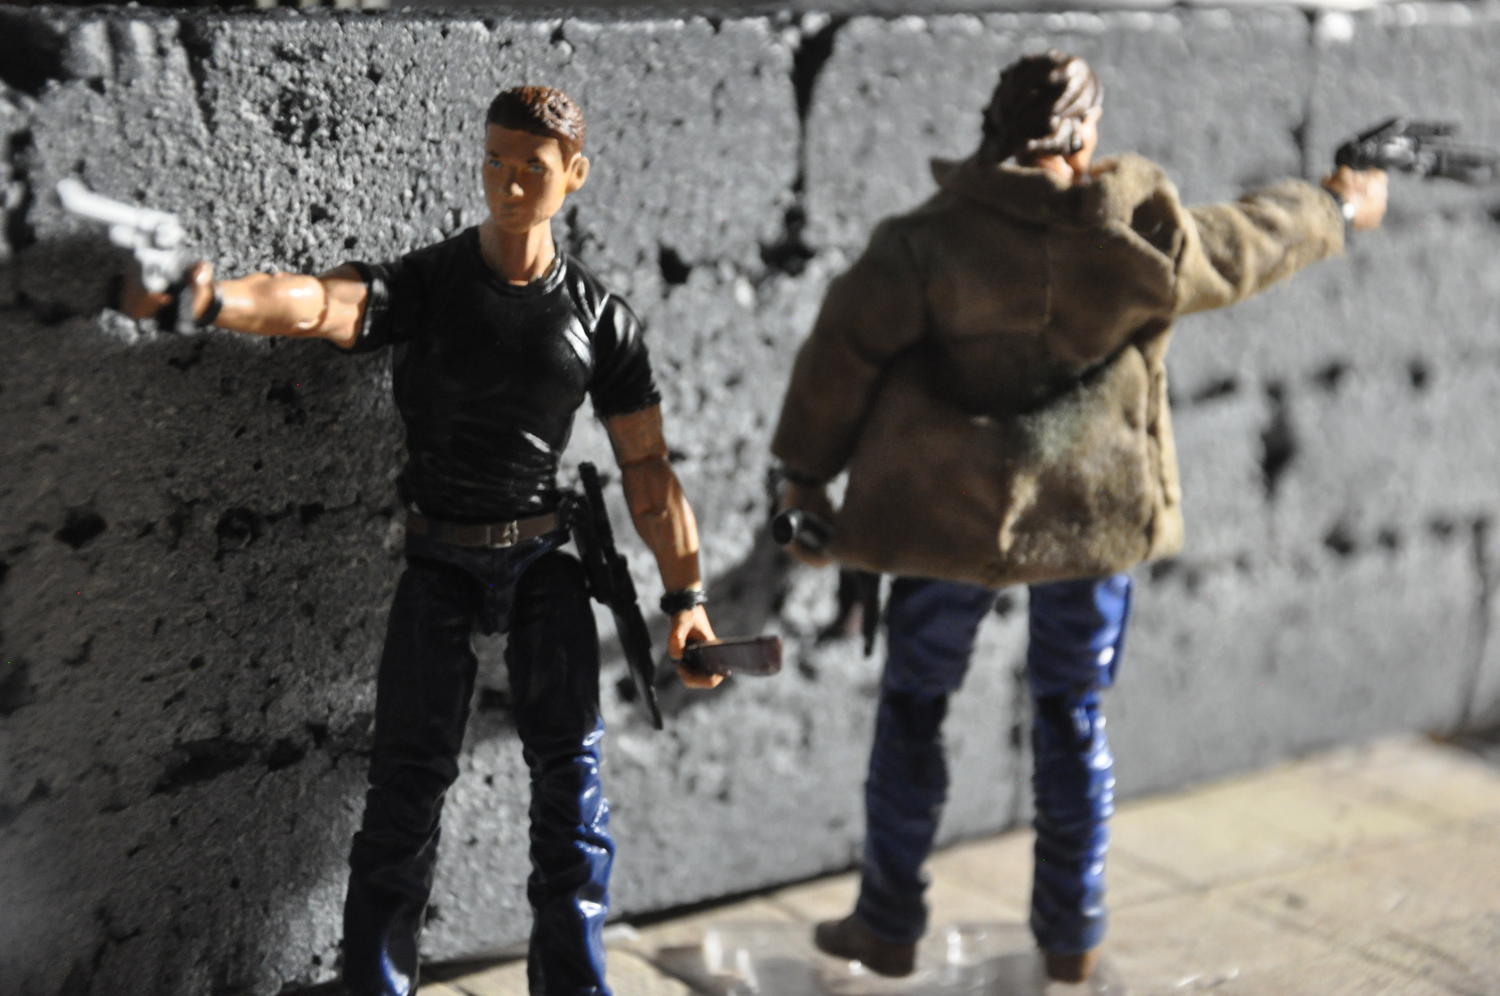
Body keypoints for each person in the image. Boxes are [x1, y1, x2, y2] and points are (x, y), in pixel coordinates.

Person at [771, 51, 1385, 983]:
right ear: (1084, 132)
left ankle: (889, 921)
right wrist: (1337, 204)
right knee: (1071, 714)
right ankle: (1072, 931)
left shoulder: (924, 242)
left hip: (946, 520)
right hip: (1091, 517)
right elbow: (1248, 241)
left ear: (996, 124)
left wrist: (806, 483)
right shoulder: (1139, 236)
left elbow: (839, 359)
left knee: (914, 708)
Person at [124, 85, 721, 996]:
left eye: (531, 168)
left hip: (544, 560)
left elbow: (648, 470)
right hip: (440, 557)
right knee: (404, 788)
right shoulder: (430, 284)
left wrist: (688, 600)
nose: (507, 184)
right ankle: (375, 983)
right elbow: (317, 304)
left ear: (574, 175)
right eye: (493, 161)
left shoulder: (600, 318)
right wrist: (210, 300)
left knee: (574, 793)